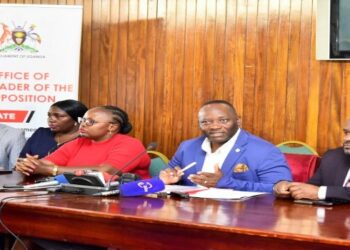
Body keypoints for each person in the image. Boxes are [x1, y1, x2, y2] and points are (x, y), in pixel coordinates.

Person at [159, 100, 292, 193]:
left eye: (223, 121)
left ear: (238, 121)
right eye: (206, 122)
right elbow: (165, 177)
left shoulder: (265, 151)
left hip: (241, 220)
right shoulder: (187, 147)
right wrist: (167, 180)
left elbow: (279, 189)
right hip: (191, 217)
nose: (214, 126)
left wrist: (226, 183)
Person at [15, 105, 151, 179]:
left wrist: (52, 170)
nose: (83, 125)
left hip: (125, 202)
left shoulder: (129, 144)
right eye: (83, 120)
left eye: (90, 122)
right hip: (75, 195)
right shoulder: (79, 142)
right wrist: (30, 165)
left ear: (112, 127)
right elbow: (46, 163)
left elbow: (106, 170)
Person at [273, 119, 350, 202]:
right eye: (346, 133)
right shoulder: (332, 157)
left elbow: (317, 191)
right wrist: (288, 188)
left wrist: (320, 192)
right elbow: (310, 188)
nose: (347, 138)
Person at [19, 99, 88, 159]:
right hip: (32, 174)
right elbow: (22, 159)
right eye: (49, 115)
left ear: (77, 120)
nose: (51, 120)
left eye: (59, 116)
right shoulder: (41, 133)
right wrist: (26, 164)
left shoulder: (86, 140)